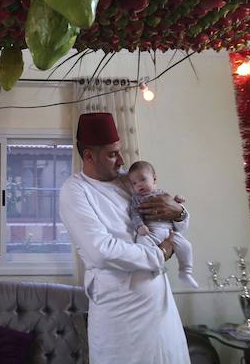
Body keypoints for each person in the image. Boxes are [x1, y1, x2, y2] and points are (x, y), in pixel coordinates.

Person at [59, 112, 191, 364]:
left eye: (119, 151)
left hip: (161, 310)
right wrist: (160, 254)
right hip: (120, 318)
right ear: (88, 156)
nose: (121, 160)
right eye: (111, 154)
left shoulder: (128, 183)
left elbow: (170, 224)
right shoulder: (75, 191)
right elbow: (103, 251)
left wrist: (181, 213)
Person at [128, 160, 199, 289]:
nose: (139, 185)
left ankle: (185, 272)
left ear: (154, 178)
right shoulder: (136, 199)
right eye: (134, 183)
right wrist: (139, 226)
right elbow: (134, 214)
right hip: (152, 230)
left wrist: (177, 202)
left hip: (169, 230)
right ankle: (153, 268)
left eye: (143, 179)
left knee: (186, 246)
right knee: (142, 243)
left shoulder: (162, 193)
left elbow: (172, 208)